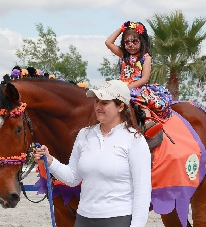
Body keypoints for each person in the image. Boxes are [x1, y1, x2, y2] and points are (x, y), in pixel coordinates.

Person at [33, 79, 151, 227]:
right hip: (83, 219)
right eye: (97, 102)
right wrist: (50, 161)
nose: (98, 107)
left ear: (120, 106)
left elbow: (143, 190)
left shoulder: (134, 140)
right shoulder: (84, 134)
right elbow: (72, 178)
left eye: (104, 103)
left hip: (118, 220)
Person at [105, 21, 172, 120]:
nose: (131, 45)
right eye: (127, 42)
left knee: (142, 105)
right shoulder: (124, 55)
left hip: (137, 88)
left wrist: (128, 88)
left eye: (134, 41)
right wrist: (121, 28)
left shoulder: (146, 57)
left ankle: (148, 124)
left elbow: (144, 79)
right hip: (121, 86)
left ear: (142, 41)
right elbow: (108, 42)